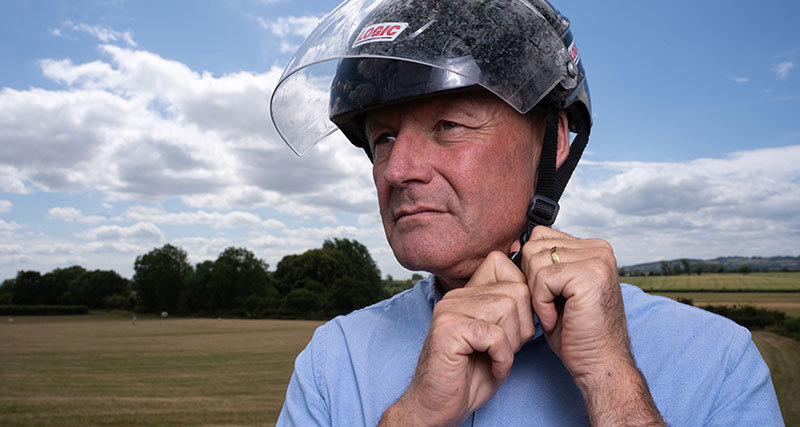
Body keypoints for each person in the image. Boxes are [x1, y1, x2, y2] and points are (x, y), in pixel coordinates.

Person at [270, 0, 783, 425]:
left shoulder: (715, 361)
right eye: (383, 137)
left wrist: (612, 381)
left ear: (554, 142)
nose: (396, 169)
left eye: (448, 125)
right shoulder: (333, 361)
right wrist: (415, 416)